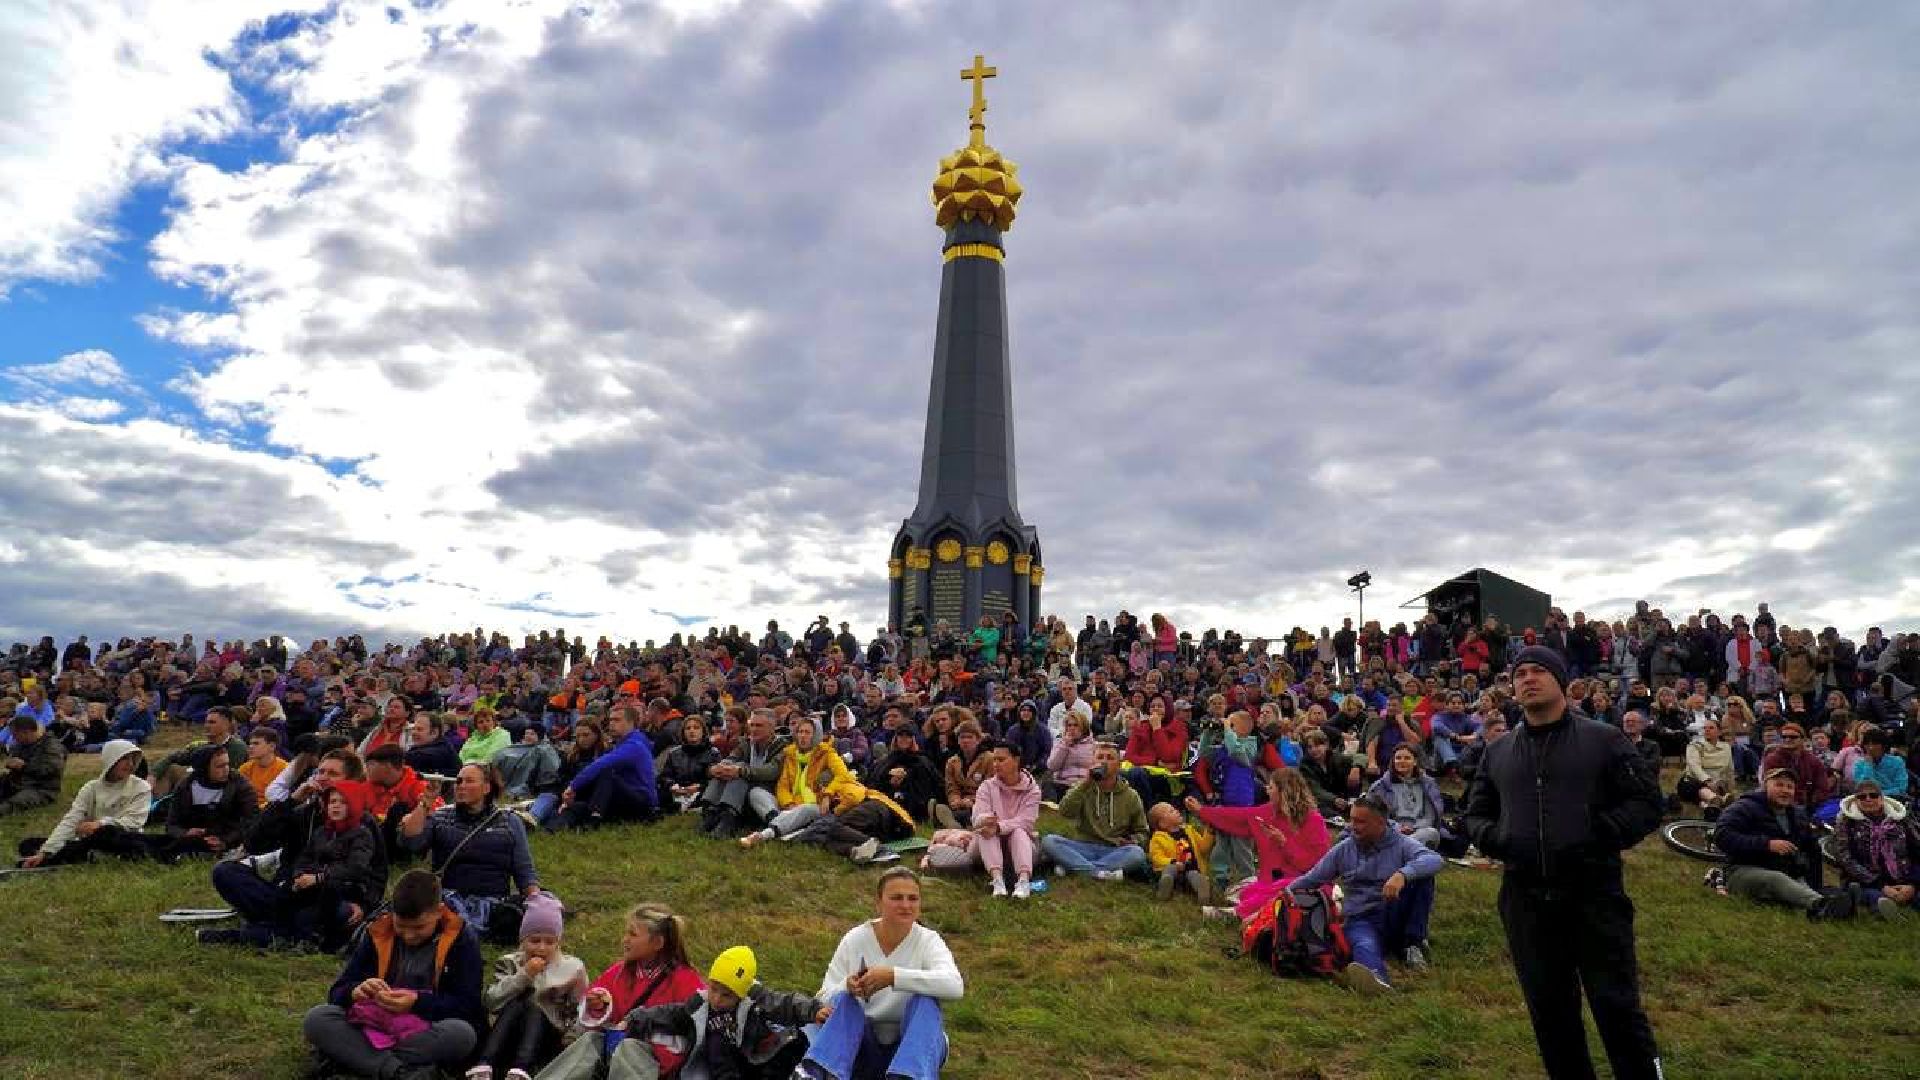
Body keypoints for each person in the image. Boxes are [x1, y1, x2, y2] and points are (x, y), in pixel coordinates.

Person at [1461, 645, 1665, 1080]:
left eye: (1538, 671)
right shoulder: (1497, 753)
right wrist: (1500, 840)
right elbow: (1475, 813)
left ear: (1560, 681)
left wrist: (1596, 833)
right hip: (1525, 898)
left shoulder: (1604, 740)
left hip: (1594, 892)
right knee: (1550, 1013)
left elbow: (1647, 803)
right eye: (1520, 674)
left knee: (1616, 1006)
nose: (1528, 679)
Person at [303, 868, 484, 1079]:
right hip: (374, 1024)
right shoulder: (378, 931)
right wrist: (356, 991)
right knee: (317, 1018)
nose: (408, 936)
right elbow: (337, 993)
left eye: (419, 927)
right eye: (401, 926)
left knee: (462, 1034)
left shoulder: (461, 939)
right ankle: (400, 1071)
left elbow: (467, 1005)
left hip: (425, 1028)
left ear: (439, 911)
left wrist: (417, 1002)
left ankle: (355, 1059)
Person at [798, 868, 962, 1080]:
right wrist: (846, 986)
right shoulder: (856, 939)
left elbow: (955, 986)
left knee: (925, 1001)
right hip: (860, 1047)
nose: (905, 905)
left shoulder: (928, 941)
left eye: (913, 898)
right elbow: (822, 997)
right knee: (844, 999)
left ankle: (908, 1076)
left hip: (911, 1048)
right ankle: (821, 1073)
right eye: (896, 898)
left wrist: (893, 977)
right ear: (879, 903)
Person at [1287, 794, 1442, 994]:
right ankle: (1376, 980)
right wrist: (1272, 904)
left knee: (1423, 877)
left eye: (1360, 822)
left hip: (1395, 913)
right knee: (1364, 944)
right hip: (1362, 919)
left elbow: (1434, 859)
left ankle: (1413, 944)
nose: (1353, 826)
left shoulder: (1402, 844)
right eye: (1351, 820)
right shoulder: (1344, 849)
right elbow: (1310, 880)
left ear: (1381, 822)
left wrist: (1402, 874)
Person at [533, 903, 706, 1080]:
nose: (625, 939)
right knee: (590, 1041)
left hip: (657, 1062)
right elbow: (596, 1004)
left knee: (629, 1049)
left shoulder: (685, 979)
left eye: (633, 934)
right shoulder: (619, 972)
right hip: (616, 1050)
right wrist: (598, 1005)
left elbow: (694, 1027)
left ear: (657, 943)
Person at [203, 779, 383, 949]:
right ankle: (291, 931)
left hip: (334, 896)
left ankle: (249, 934)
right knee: (225, 871)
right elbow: (255, 842)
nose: (323, 779)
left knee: (331, 913)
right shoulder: (311, 821)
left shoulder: (363, 828)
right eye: (320, 772)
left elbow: (364, 870)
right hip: (295, 892)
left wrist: (364, 904)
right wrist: (292, 801)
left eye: (332, 774)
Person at [620, 945, 826, 1080]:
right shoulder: (700, 1005)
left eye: (726, 995)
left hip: (755, 1059)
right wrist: (635, 1017)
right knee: (717, 1039)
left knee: (795, 1040)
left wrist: (814, 1010)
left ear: (741, 994)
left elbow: (785, 1004)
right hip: (719, 1069)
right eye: (713, 989)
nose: (717, 999)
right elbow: (669, 1013)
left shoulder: (755, 999)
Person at [402, 762, 540, 945]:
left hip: (492, 901)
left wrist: (537, 904)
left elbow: (523, 869)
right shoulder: (441, 816)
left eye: (469, 781)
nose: (461, 786)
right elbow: (412, 842)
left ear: (486, 788)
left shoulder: (509, 821)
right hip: (449, 899)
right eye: (458, 781)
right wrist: (424, 804)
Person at [1186, 767, 1331, 918]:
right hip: (1271, 880)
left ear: (1284, 792)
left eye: (1271, 787)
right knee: (1248, 893)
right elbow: (1235, 817)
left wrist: (1284, 843)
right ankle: (1257, 908)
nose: (1266, 790)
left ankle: (1233, 914)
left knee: (1286, 888)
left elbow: (1316, 866)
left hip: (1304, 881)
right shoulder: (1267, 812)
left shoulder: (1313, 820)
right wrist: (1202, 811)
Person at [1713, 768, 1855, 920]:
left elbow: (1812, 851)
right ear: (1766, 785)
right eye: (1779, 785)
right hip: (1740, 870)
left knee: (1799, 884)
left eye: (1789, 787)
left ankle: (1837, 902)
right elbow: (1722, 836)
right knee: (1776, 880)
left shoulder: (1797, 815)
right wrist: (1766, 844)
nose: (1785, 791)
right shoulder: (1745, 807)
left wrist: (1814, 882)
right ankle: (1822, 906)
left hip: (1787, 872)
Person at [476, 893, 588, 1080]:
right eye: (535, 941)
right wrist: (524, 975)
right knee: (518, 1002)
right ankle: (484, 1064)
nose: (542, 948)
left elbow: (580, 1009)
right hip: (509, 1033)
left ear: (558, 942)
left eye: (549, 942)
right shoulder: (509, 963)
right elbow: (491, 1002)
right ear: (523, 940)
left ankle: (521, 1068)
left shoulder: (573, 968)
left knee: (535, 1004)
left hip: (549, 1036)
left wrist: (570, 1039)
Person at [15, 739, 149, 867]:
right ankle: (54, 856)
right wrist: (45, 851)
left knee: (106, 833)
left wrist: (99, 824)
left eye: (133, 760)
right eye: (125, 759)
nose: (130, 764)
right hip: (91, 839)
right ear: (111, 760)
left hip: (124, 840)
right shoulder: (91, 787)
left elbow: (134, 822)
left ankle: (60, 858)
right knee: (29, 844)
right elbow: (72, 819)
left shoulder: (141, 787)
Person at [1039, 742, 1148, 881]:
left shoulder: (1130, 795)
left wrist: (1133, 840)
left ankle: (1073, 867)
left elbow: (1143, 832)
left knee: (1137, 854)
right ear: (1092, 762)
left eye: (1110, 758)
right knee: (1049, 841)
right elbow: (1065, 812)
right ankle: (1100, 873)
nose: (1104, 761)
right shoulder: (1083, 787)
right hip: (1082, 846)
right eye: (1100, 757)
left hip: (1113, 849)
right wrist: (1086, 783)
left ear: (1119, 765)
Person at [148, 744, 259, 862]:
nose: (226, 769)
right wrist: (185, 833)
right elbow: (171, 824)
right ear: (204, 768)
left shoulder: (239, 785)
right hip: (189, 837)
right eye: (219, 766)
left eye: (227, 764)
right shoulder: (186, 786)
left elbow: (251, 822)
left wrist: (226, 841)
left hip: (225, 838)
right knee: (145, 840)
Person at [559, 704, 658, 830]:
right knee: (578, 807)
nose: (611, 724)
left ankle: (594, 819)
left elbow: (601, 764)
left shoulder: (634, 745)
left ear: (631, 723)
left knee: (606, 774)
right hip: (624, 797)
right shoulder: (622, 743)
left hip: (642, 802)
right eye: (610, 720)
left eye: (617, 720)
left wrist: (572, 786)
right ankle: (552, 828)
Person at [1830, 779, 1920, 917]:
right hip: (1866, 880)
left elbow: (1917, 850)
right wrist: (1881, 886)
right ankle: (1887, 911)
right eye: (1862, 796)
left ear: (1882, 798)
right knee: (1872, 896)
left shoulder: (1901, 818)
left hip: (1904, 877)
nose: (1868, 799)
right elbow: (1845, 859)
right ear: (1855, 800)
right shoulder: (1845, 822)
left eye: (1873, 795)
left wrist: (1913, 884)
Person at [971, 741, 1042, 899]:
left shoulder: (1033, 790)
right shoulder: (986, 786)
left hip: (1019, 844)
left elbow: (1026, 821)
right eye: (994, 759)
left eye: (1001, 760)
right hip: (987, 844)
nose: (996, 764)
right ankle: (997, 881)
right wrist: (987, 820)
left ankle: (1023, 881)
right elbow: (977, 817)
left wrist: (999, 827)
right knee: (985, 832)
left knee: (1019, 831)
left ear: (1016, 760)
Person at [700, 709, 786, 838]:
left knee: (739, 772)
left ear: (772, 727)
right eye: (752, 725)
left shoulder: (782, 746)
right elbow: (731, 758)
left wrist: (740, 770)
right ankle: (710, 813)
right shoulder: (747, 743)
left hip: (766, 795)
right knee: (727, 770)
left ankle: (728, 820)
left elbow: (772, 771)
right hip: (743, 794)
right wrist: (718, 768)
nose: (754, 729)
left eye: (759, 725)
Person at [1367, 744, 1450, 851]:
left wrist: (1415, 828)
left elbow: (1431, 814)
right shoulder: (1379, 787)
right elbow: (1373, 815)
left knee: (1431, 833)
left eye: (1407, 758)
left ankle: (1400, 851)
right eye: (1398, 758)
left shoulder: (1428, 784)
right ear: (1393, 761)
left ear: (1415, 762)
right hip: (1392, 831)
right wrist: (1397, 828)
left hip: (1420, 830)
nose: (1402, 761)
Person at [1146, 801, 1215, 903]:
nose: (1177, 811)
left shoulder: (1189, 830)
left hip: (1190, 870)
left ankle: (1202, 891)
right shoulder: (1158, 839)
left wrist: (1209, 832)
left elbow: (1203, 848)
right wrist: (1173, 862)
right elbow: (1156, 858)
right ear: (1162, 823)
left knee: (1194, 875)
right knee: (1170, 869)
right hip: (1173, 870)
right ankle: (1165, 884)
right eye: (1171, 811)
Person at [0, 712, 65, 816]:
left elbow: (51, 769)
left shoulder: (51, 746)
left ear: (26, 732)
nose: (14, 738)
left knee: (14, 803)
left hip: (42, 789)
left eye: (15, 735)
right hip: (17, 783)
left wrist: (24, 766)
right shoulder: (20, 745)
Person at [1760, 722, 1833, 812]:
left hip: (1810, 806)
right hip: (1780, 805)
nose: (1787, 739)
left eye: (1793, 737)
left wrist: (1812, 803)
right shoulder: (1772, 760)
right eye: (1784, 737)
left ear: (1803, 739)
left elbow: (1822, 787)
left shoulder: (1813, 761)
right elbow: (1770, 787)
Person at [1297, 728, 1360, 818]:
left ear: (1326, 744)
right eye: (1310, 747)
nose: (1313, 750)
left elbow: (1359, 757)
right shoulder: (1304, 766)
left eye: (1317, 745)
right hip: (1323, 802)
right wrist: (1334, 799)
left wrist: (1356, 767)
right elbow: (1315, 789)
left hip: (1343, 798)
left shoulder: (1336, 757)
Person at [1678, 718, 1736, 814]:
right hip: (1694, 781)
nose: (1707, 730)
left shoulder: (1726, 747)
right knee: (1696, 786)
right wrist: (1707, 781)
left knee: (1719, 788)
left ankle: (1712, 804)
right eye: (1705, 728)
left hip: (1717, 783)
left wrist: (1731, 788)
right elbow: (1694, 767)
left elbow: (1730, 770)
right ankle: (1714, 800)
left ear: (1719, 732)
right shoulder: (1694, 746)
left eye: (1711, 728)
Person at [1850, 728, 1909, 797]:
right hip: (1867, 800)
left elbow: (1901, 789)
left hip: (1893, 799)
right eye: (1867, 744)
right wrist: (1868, 765)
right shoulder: (1859, 764)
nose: (1871, 748)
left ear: (1883, 746)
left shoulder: (1897, 762)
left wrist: (1879, 795)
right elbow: (1862, 788)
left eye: (1875, 744)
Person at [238, 728, 288, 808]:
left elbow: (281, 799)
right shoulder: (245, 768)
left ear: (272, 746)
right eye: (250, 744)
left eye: (256, 743)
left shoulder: (284, 769)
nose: (251, 747)